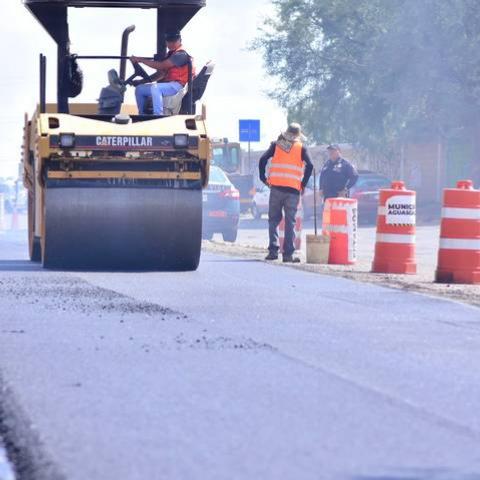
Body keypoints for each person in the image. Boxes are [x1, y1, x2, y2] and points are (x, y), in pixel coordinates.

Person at [259, 123, 313, 263]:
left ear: (287, 133)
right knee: (290, 222)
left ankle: (273, 251)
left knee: (273, 220)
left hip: (276, 188)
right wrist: (303, 184)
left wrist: (263, 177)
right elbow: (311, 166)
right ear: (298, 135)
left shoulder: (277, 144)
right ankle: (288, 255)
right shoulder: (301, 148)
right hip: (293, 191)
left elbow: (262, 159)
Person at [131, 32, 194, 115]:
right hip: (170, 85)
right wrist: (141, 81)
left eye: (174, 41)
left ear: (180, 40)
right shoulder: (171, 54)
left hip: (179, 86)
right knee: (140, 89)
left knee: (156, 88)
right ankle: (142, 115)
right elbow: (160, 74)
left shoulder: (181, 54)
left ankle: (158, 115)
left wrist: (140, 60)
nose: (171, 43)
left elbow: (161, 66)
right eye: (169, 41)